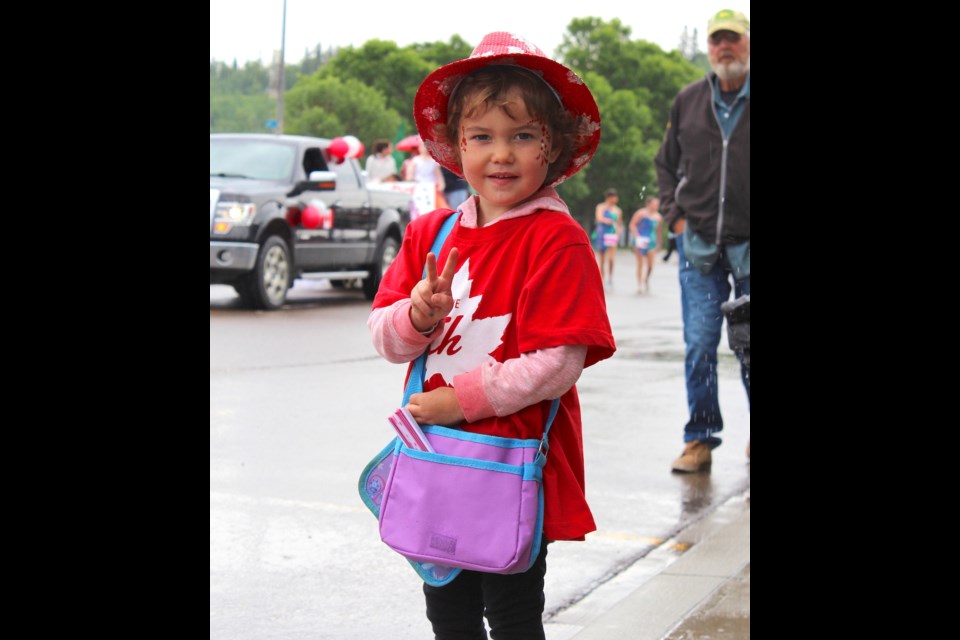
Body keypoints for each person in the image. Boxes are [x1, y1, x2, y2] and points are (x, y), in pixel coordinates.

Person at [367, 31, 614, 639]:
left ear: (551, 147)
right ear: (456, 147)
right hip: (435, 457)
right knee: (446, 610)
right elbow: (385, 336)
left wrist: (462, 401)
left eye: (521, 136)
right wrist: (417, 315)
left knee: (511, 610)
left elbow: (558, 361)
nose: (500, 154)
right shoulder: (430, 232)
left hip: (510, 462)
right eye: (482, 137)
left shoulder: (557, 240)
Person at [654, 9, 750, 473]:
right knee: (699, 345)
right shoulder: (688, 100)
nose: (724, 48)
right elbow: (665, 165)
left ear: (747, 44)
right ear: (709, 48)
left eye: (732, 39)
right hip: (697, 247)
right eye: (717, 41)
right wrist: (674, 219)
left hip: (749, 248)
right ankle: (700, 439)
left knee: (751, 346)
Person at [628, 196, 662, 293]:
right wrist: (637, 236)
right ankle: (639, 285)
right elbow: (632, 224)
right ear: (649, 204)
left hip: (651, 241)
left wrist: (659, 243)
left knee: (651, 265)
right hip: (640, 239)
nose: (656, 206)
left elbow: (658, 231)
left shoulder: (658, 217)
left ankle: (646, 279)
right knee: (640, 263)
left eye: (657, 205)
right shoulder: (640, 213)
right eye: (655, 204)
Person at [592, 188, 622, 286]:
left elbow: (619, 224)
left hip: (612, 235)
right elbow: (599, 217)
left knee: (611, 259)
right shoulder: (601, 207)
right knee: (602, 259)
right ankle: (602, 279)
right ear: (608, 198)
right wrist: (607, 220)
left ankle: (610, 276)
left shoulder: (618, 210)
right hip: (602, 233)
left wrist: (618, 234)